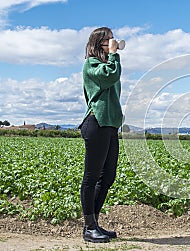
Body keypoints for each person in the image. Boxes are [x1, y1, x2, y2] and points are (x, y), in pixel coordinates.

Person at [78, 27, 124, 243]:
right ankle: (88, 228)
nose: (113, 42)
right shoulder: (91, 64)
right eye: (109, 40)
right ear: (99, 44)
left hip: (110, 125)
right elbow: (111, 76)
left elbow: (113, 77)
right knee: (91, 177)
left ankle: (94, 223)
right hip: (96, 122)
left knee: (108, 176)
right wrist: (114, 55)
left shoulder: (107, 64)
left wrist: (113, 57)